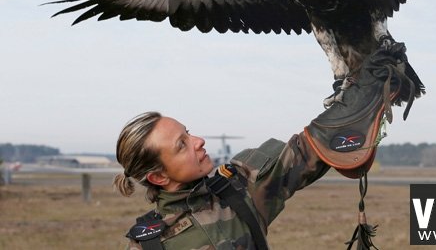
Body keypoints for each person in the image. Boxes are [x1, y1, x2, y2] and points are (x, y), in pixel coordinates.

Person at [113, 44, 420, 249]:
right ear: (157, 177)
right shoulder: (148, 244)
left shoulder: (238, 185)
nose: (198, 141)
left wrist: (364, 92)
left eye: (189, 133)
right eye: (182, 145)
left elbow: (309, 148)